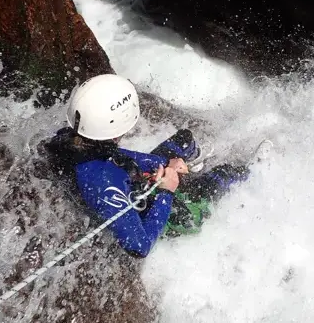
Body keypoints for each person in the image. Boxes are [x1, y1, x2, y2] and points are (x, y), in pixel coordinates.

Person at [41, 74, 266, 258]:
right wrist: (166, 192)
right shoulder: (105, 183)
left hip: (130, 182)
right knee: (224, 173)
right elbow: (139, 246)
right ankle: (254, 171)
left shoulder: (72, 139)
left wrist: (165, 163)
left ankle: (191, 164)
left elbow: (114, 155)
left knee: (183, 140)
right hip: (150, 209)